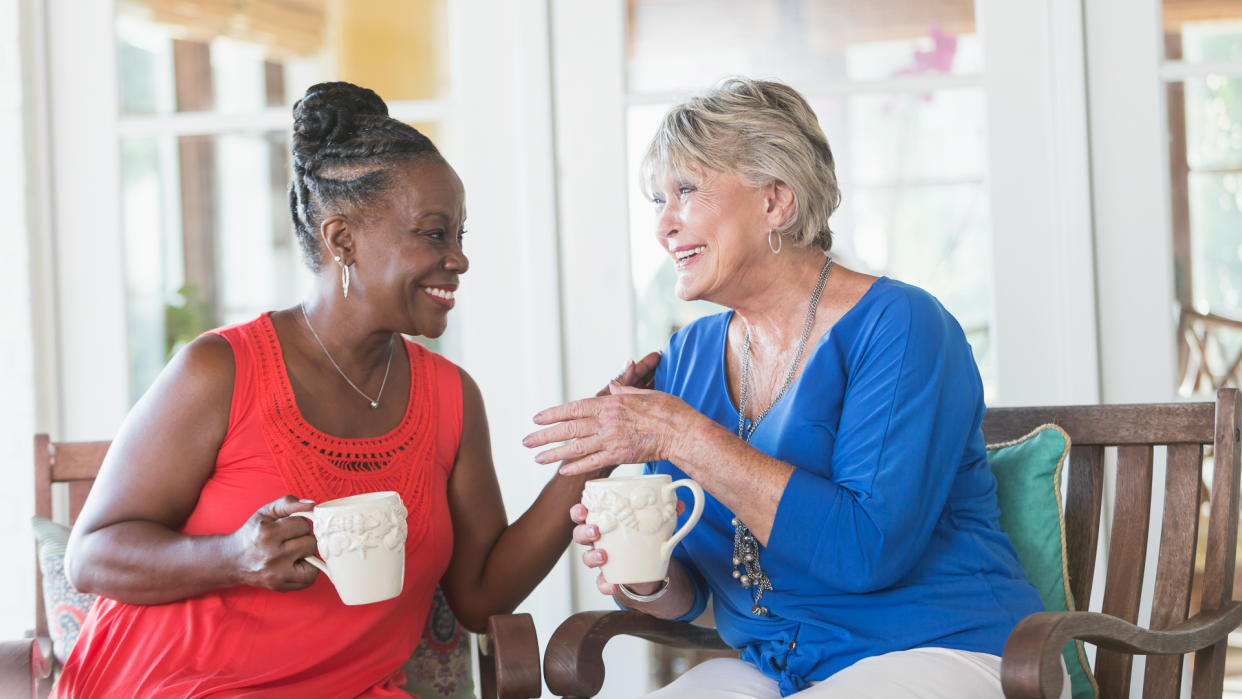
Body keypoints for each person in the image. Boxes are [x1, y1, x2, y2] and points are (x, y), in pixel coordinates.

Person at [54, 81, 657, 698]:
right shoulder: (220, 369)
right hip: (173, 685)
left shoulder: (451, 398)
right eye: (433, 233)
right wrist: (233, 556)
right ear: (341, 239)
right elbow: (93, 556)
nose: (459, 260)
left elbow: (480, 598)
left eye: (460, 237)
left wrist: (597, 451)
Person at [523, 78, 1057, 698]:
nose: (664, 226)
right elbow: (701, 591)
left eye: (687, 192)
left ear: (775, 202)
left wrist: (676, 430)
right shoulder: (688, 358)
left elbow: (866, 550)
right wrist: (643, 573)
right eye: (658, 200)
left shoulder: (903, 326)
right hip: (778, 670)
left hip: (946, 649)